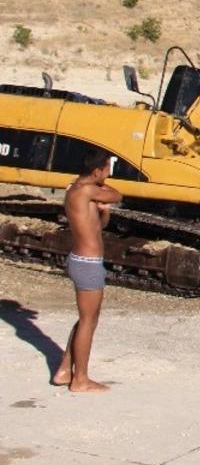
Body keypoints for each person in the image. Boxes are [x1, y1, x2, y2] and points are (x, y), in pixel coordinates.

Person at [52, 148, 121, 392]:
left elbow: (98, 225)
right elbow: (117, 194)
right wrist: (105, 193)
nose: (108, 174)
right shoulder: (88, 190)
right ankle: (80, 379)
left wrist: (104, 213)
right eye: (106, 170)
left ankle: (64, 369)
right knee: (88, 321)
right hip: (88, 263)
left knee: (86, 319)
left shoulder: (76, 190)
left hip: (82, 260)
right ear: (96, 171)